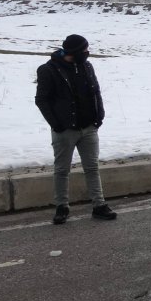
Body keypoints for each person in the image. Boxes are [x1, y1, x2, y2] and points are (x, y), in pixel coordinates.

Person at [35, 34, 117, 224]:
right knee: (62, 170)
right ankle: (62, 206)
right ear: (74, 52)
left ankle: (99, 205)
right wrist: (57, 124)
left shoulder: (86, 66)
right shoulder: (49, 70)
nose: (87, 53)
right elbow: (42, 100)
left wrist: (99, 116)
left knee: (92, 167)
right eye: (85, 50)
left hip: (89, 127)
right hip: (65, 130)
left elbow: (95, 92)